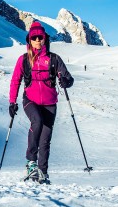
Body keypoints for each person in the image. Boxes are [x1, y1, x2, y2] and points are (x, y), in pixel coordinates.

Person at [8, 21, 74, 183]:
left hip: (50, 103)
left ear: (45, 39)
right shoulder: (23, 60)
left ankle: (43, 173)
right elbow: (15, 81)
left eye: (40, 37)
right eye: (34, 37)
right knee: (36, 122)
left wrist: (66, 82)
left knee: (45, 139)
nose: (38, 40)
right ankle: (31, 162)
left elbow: (68, 77)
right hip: (30, 100)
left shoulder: (54, 59)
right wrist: (12, 102)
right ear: (29, 40)